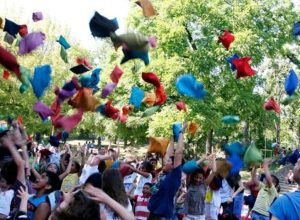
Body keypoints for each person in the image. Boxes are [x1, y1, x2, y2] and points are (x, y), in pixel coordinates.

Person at [147, 122, 187, 219]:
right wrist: (173, 137)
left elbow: (178, 153)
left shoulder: (174, 176)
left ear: (174, 165)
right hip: (152, 215)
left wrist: (181, 132)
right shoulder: (164, 173)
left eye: (168, 161)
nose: (165, 161)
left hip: (163, 216)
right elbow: (169, 153)